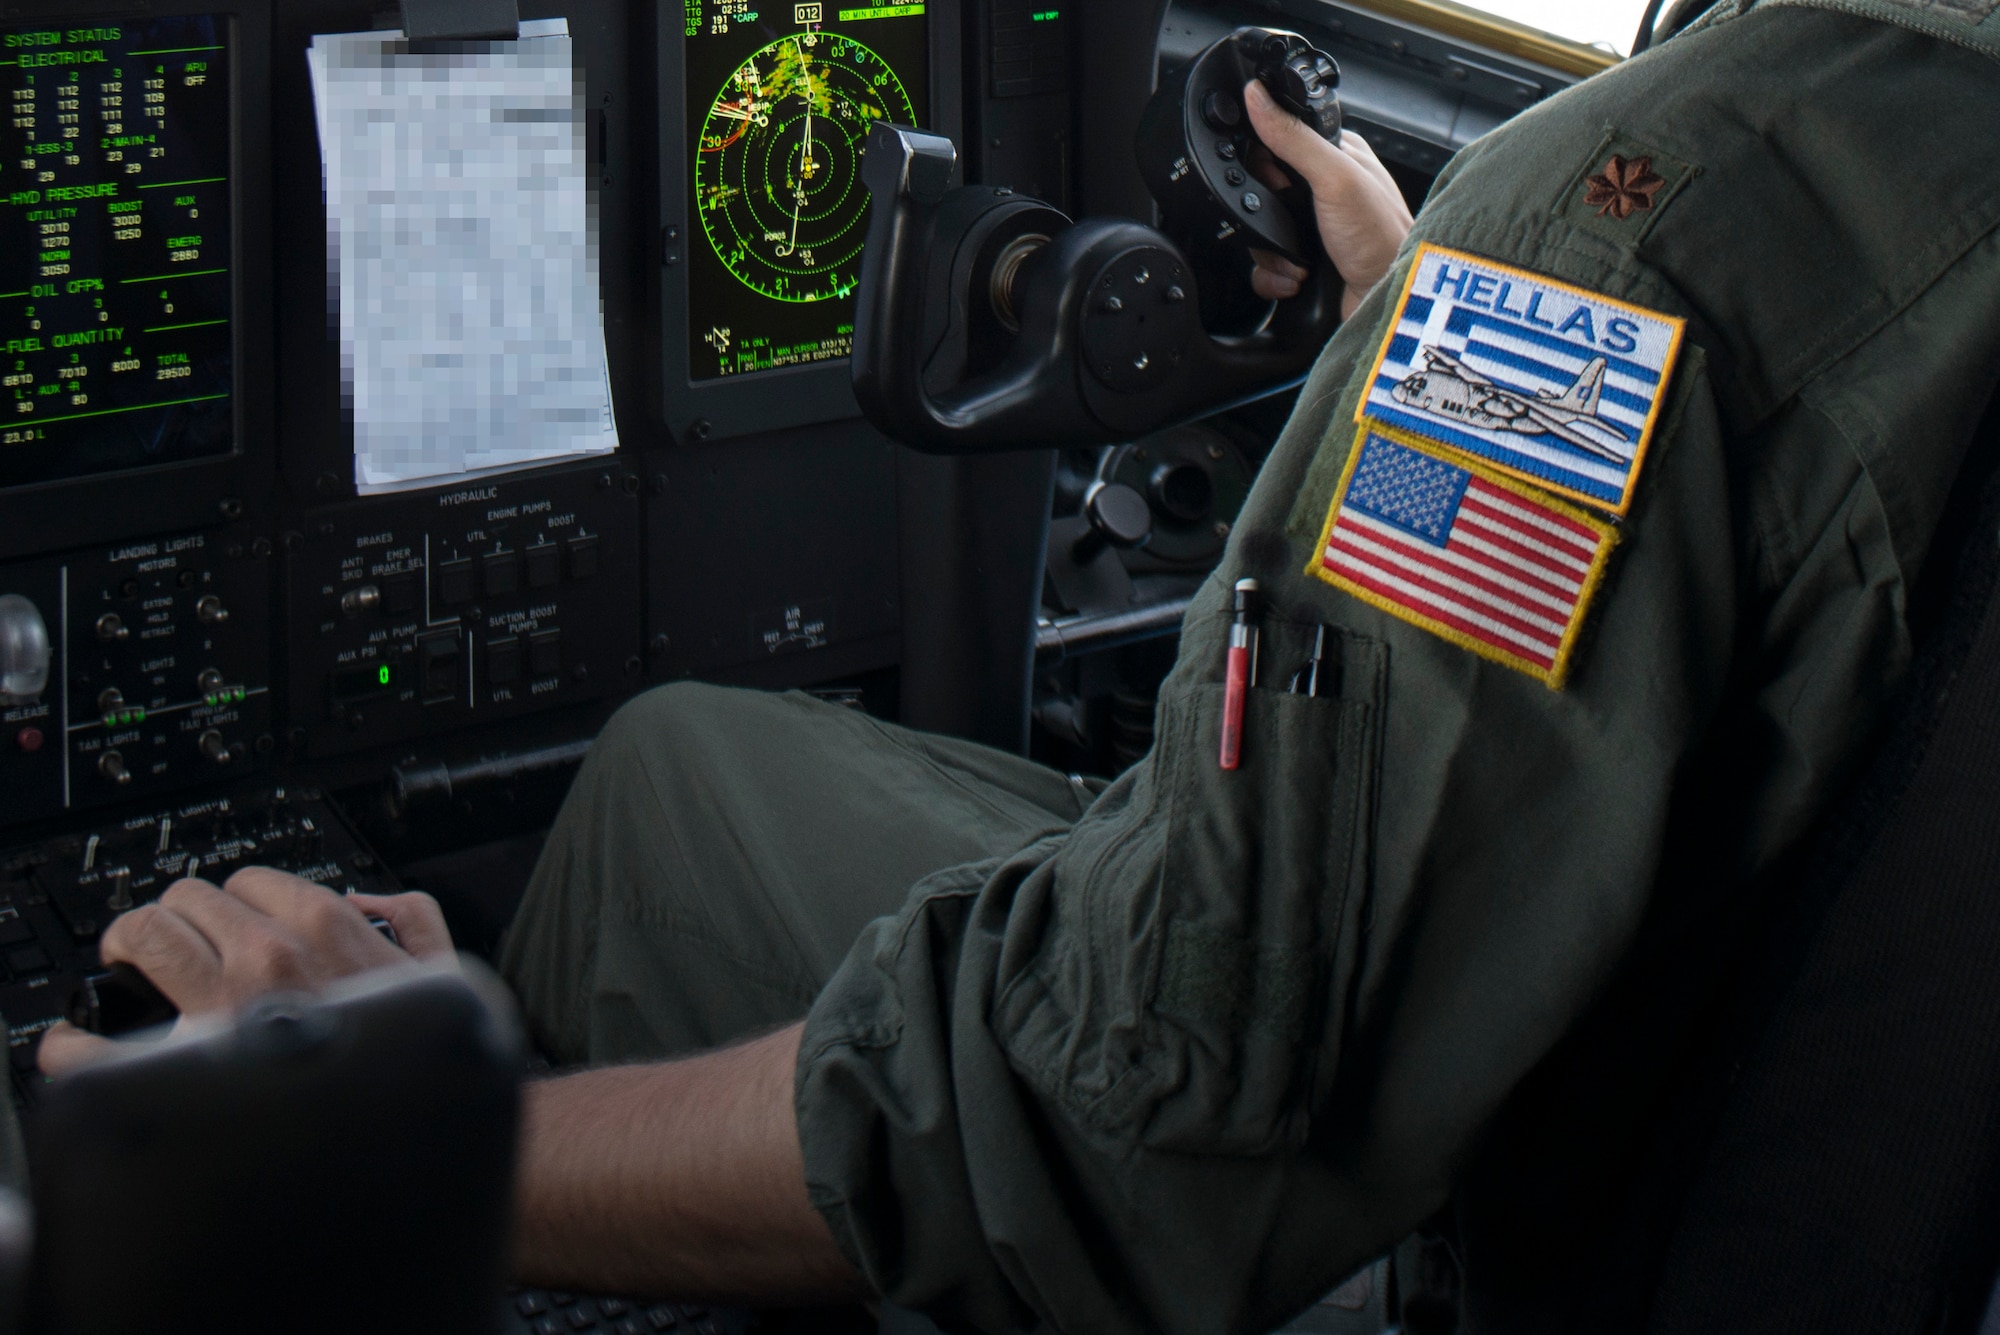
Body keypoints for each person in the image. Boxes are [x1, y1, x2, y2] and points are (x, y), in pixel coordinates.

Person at [36, 1, 2000, 1330]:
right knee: (677, 763)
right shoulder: (1758, 211)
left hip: (1456, 1247)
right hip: (1744, 1165)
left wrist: (403, 1146)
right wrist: (1416, 316)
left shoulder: (1639, 230)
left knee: (654, 811)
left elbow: (1133, 1121)